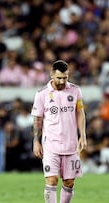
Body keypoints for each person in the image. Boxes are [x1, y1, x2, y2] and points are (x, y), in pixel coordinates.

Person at [31, 60, 87, 203]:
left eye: (65, 77)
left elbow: (80, 112)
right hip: (51, 144)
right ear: (51, 75)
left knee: (69, 182)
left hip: (71, 145)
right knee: (52, 179)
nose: (62, 81)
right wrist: (36, 141)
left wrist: (83, 135)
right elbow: (38, 119)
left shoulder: (75, 90)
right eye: (59, 78)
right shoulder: (42, 94)